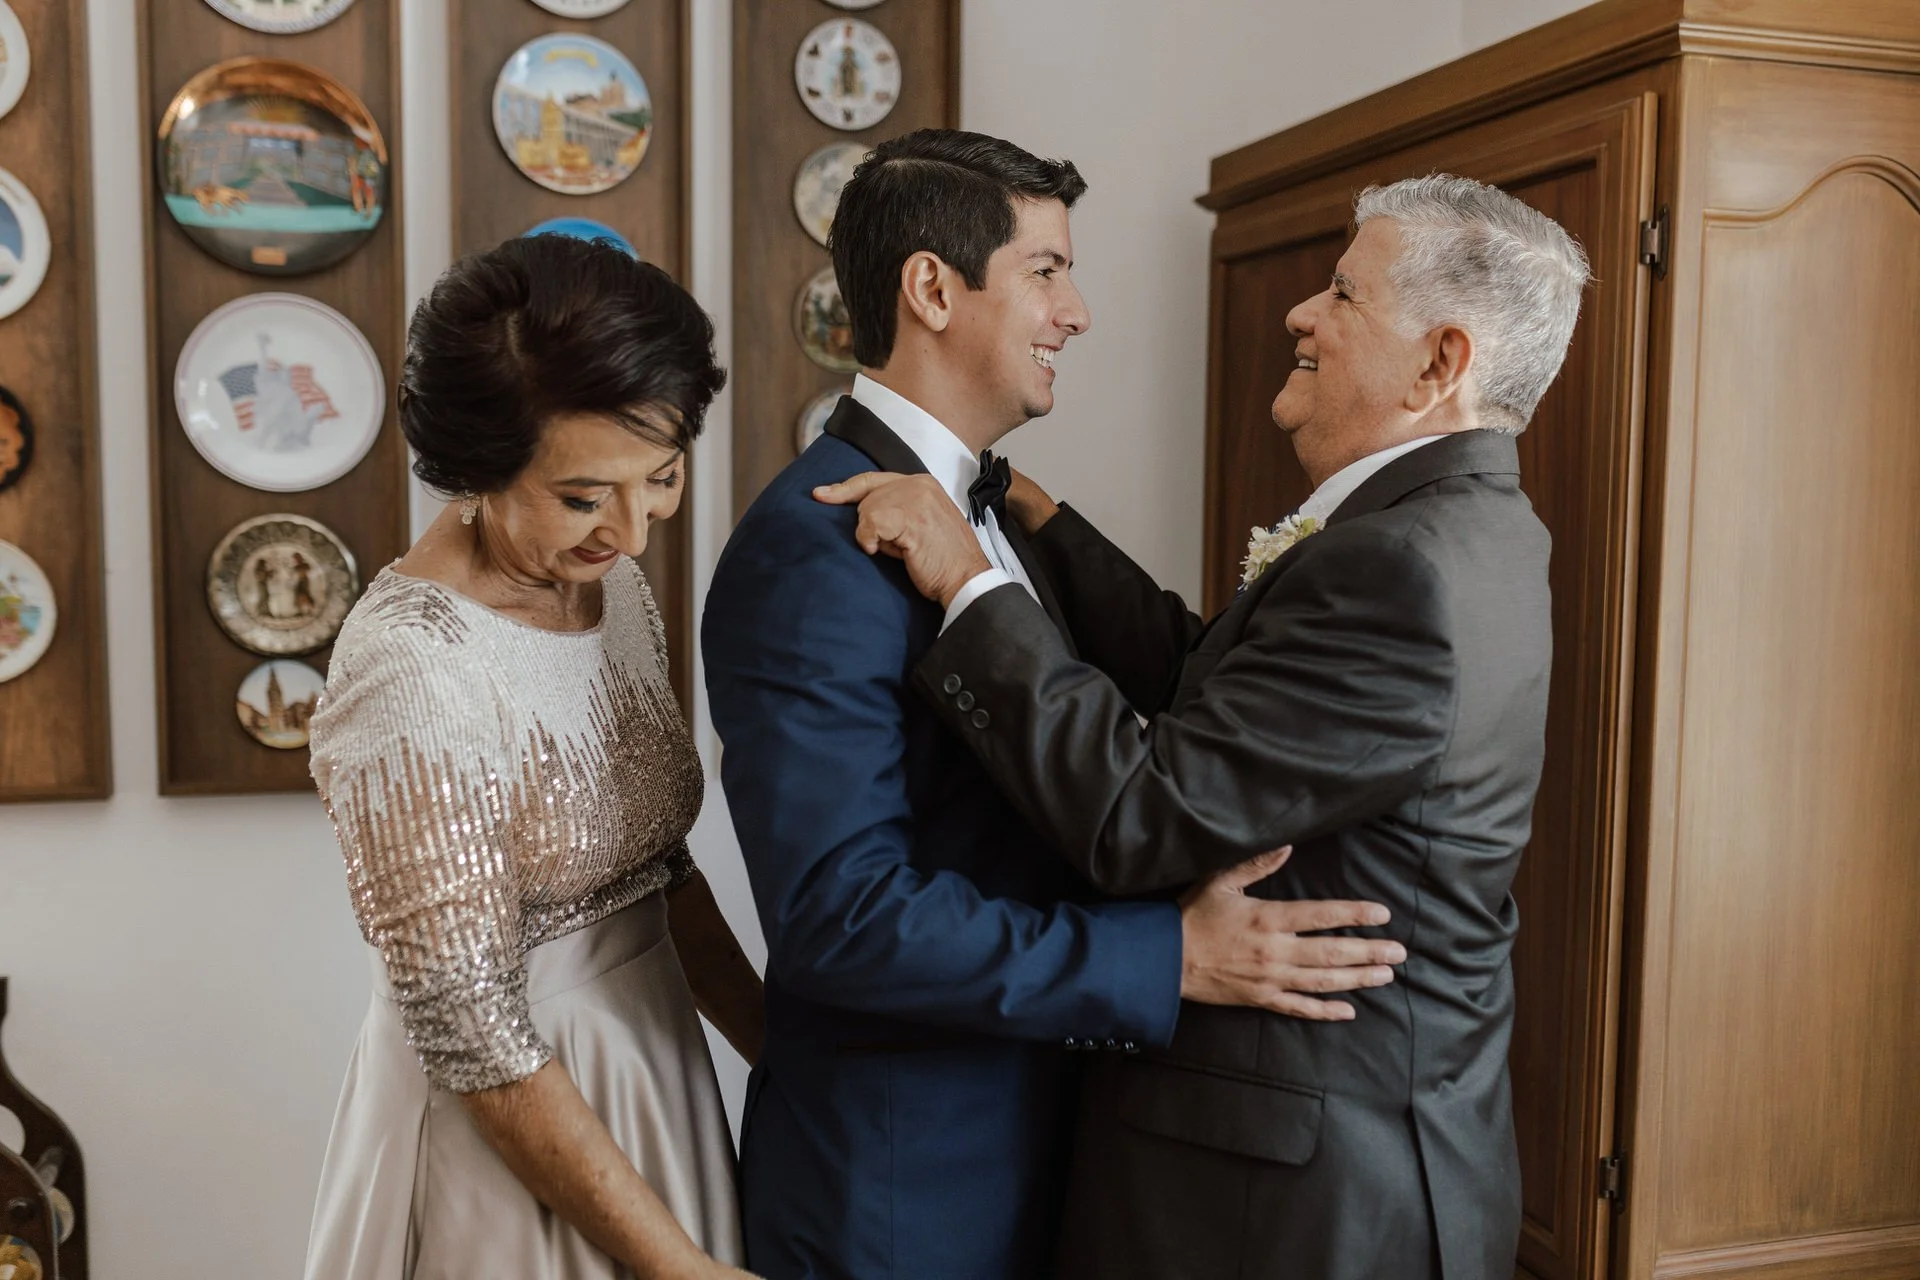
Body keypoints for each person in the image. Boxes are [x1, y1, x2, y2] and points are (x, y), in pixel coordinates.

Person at [820, 173, 1589, 1279]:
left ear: (1440, 364)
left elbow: (1141, 811)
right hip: (1351, 1143)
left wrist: (966, 581)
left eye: (1343, 293)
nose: (1301, 314)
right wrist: (1039, 523)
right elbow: (1216, 689)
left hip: (1299, 1192)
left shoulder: (1402, 568)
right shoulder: (1465, 526)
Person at [702, 128, 1408, 1280]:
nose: (1075, 313)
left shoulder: (996, 517)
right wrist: (1165, 957)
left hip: (1045, 1153)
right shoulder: (812, 551)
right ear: (933, 290)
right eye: (1046, 271)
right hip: (905, 1194)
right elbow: (842, 918)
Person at [304, 235, 763, 1280]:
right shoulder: (410, 667)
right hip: (511, 1125)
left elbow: (659, 872)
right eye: (585, 496)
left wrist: (783, 1056)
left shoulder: (610, 587)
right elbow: (472, 1032)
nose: (633, 532)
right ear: (476, 469)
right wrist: (679, 1266)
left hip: (651, 1072)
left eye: (663, 476)